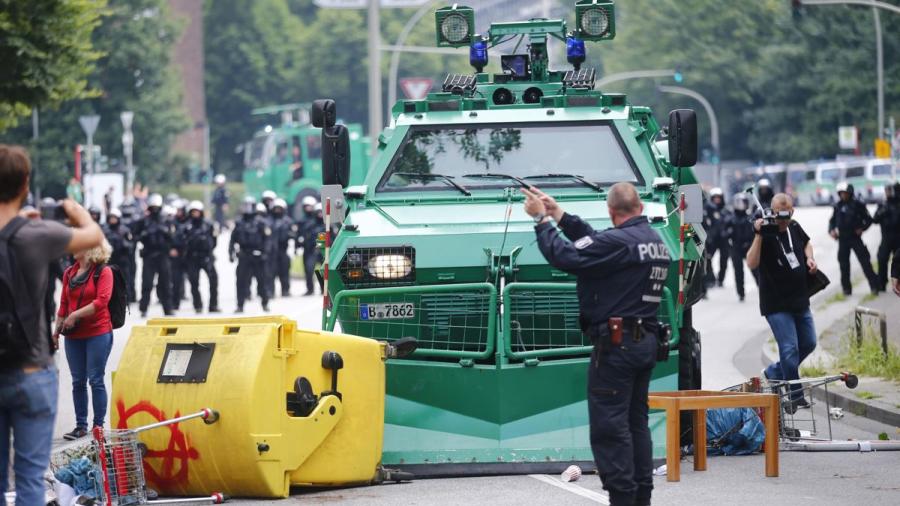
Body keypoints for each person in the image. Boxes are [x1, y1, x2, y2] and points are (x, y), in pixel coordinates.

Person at [523, 183, 669, 506]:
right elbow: (596, 242)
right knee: (636, 425)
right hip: (644, 342)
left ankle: (622, 498)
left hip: (616, 348)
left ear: (610, 211)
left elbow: (566, 256)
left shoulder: (617, 242)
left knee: (610, 429)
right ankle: (640, 496)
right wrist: (558, 214)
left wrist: (541, 222)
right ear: (640, 208)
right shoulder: (652, 241)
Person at [0, 144, 103, 505]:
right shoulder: (38, 234)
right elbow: (94, 239)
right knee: (30, 478)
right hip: (31, 369)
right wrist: (76, 211)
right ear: (25, 184)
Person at [746, 193, 818, 412]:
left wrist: (809, 258)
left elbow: (807, 244)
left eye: (787, 217)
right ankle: (795, 395)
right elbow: (751, 262)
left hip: (799, 300)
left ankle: (773, 374)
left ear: (792, 212)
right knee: (789, 349)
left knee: (809, 343)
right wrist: (759, 234)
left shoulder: (794, 227)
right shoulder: (766, 232)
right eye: (779, 217)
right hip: (776, 304)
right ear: (771, 212)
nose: (783, 222)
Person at [54, 240, 115, 440]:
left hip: (98, 332)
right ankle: (81, 425)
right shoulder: (69, 272)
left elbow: (101, 302)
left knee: (96, 379)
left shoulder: (103, 272)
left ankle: (98, 427)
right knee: (78, 381)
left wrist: (75, 315)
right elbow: (63, 304)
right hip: (75, 335)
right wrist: (56, 332)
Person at [828, 182, 879, 295]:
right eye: (841, 193)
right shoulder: (838, 206)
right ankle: (846, 289)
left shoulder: (858, 204)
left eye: (845, 193)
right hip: (842, 239)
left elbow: (869, 219)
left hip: (855, 238)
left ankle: (874, 286)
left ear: (850, 193)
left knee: (865, 262)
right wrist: (831, 230)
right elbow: (832, 221)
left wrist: (862, 228)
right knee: (844, 265)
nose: (843, 195)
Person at [132, 193, 176, 317]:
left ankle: (168, 309)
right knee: (147, 283)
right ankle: (143, 308)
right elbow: (134, 236)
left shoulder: (166, 220)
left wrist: (165, 232)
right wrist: (144, 235)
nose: (155, 210)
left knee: (166, 283)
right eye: (153, 207)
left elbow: (173, 238)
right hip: (149, 255)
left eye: (157, 207)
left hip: (163, 255)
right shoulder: (143, 221)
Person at [230, 199, 272, 312]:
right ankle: (240, 305)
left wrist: (265, 253)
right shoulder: (239, 223)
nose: (247, 209)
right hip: (244, 256)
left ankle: (265, 303)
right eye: (245, 206)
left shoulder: (261, 223)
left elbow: (267, 240)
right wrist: (231, 253)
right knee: (241, 282)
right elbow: (232, 240)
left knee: (262, 281)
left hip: (258, 256)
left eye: (250, 206)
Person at [183, 201, 220, 313]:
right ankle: (197, 305)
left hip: (206, 256)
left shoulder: (208, 225)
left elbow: (214, 241)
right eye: (193, 212)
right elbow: (183, 241)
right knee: (194, 282)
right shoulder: (187, 226)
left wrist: (208, 251)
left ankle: (213, 305)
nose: (195, 214)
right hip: (192, 258)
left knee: (213, 281)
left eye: (197, 211)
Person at [725, 193, 755, 301]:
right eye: (739, 203)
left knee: (755, 268)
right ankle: (741, 293)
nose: (741, 205)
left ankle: (761, 288)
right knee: (738, 271)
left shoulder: (750, 218)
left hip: (748, 247)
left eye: (743, 203)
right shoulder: (730, 218)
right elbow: (723, 233)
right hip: (736, 247)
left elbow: (755, 233)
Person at [102, 209, 135, 303]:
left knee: (124, 281)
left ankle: (125, 300)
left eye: (114, 218)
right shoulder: (104, 230)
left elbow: (131, 245)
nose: (113, 220)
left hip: (122, 260)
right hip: (109, 260)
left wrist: (124, 244)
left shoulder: (125, 230)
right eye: (111, 218)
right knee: (108, 282)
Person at [873, 182, 900, 292]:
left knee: (898, 260)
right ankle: (882, 283)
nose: (887, 193)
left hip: (898, 237)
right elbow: (874, 219)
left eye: (889, 190)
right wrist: (883, 211)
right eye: (886, 190)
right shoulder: (883, 204)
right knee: (882, 258)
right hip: (886, 237)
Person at [270, 198, 298, 297]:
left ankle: (285, 290)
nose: (277, 210)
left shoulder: (288, 221)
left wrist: (289, 235)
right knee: (271, 272)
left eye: (279, 208)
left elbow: (295, 235)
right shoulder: (269, 221)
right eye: (276, 208)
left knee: (285, 271)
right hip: (272, 251)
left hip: (283, 249)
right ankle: (271, 291)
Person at [703, 187, 730, 288]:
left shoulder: (725, 211)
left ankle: (721, 279)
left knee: (724, 260)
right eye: (715, 198)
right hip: (712, 239)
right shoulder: (708, 210)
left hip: (724, 239)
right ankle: (711, 278)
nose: (717, 199)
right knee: (708, 258)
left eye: (719, 197)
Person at [298, 199, 324, 296]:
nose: (320, 214)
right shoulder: (310, 225)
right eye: (318, 212)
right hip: (311, 251)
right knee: (309, 270)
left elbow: (333, 239)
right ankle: (310, 289)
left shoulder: (328, 225)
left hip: (323, 251)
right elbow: (305, 237)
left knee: (323, 271)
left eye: (322, 212)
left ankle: (323, 289)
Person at [169, 200, 189, 310]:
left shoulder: (190, 222)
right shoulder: (172, 222)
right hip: (176, 254)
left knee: (194, 280)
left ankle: (198, 304)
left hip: (189, 254)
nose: (178, 212)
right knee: (175, 280)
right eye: (177, 210)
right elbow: (168, 238)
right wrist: (171, 249)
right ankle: (175, 303)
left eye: (180, 210)